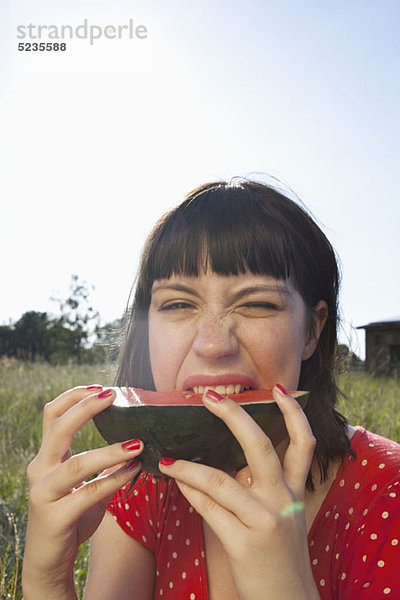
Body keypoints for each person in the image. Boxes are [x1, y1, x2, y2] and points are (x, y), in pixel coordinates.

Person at [22, 179, 400, 600]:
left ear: (312, 331)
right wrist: (47, 582)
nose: (213, 344)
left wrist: (284, 586)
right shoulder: (142, 483)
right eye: (178, 304)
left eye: (257, 303)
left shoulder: (390, 494)